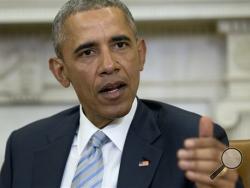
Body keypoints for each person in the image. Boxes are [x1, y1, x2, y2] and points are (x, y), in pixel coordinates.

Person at [0, 0, 244, 188]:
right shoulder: (24, 147)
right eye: (87, 52)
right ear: (61, 72)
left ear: (141, 54)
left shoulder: (190, 141)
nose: (109, 65)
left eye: (120, 45)